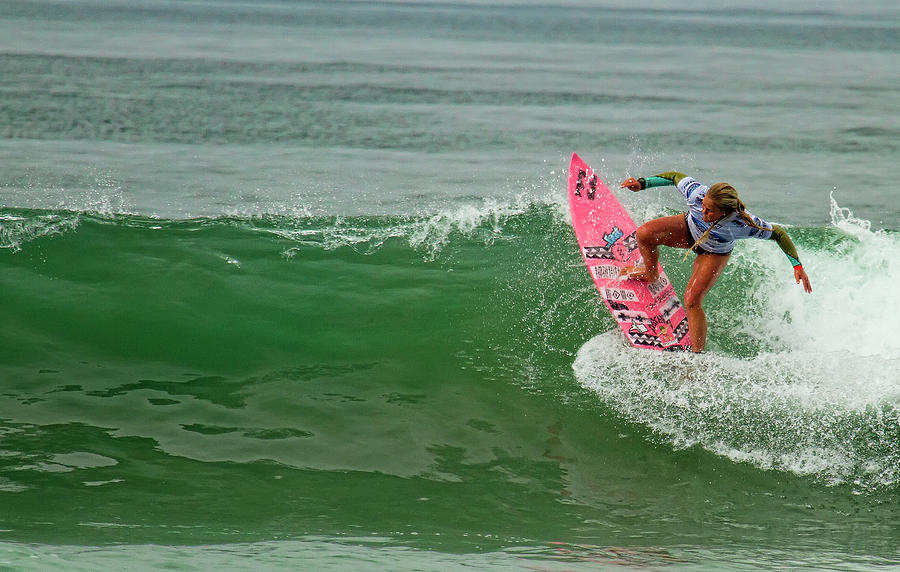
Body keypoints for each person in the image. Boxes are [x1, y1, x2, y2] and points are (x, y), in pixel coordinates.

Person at [618, 171, 812, 353]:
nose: (704, 211)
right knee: (644, 234)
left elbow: (778, 233)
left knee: (692, 300)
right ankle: (650, 273)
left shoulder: (744, 224)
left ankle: (697, 356)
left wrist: (797, 266)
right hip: (688, 230)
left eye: (710, 211)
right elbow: (674, 177)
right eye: (703, 206)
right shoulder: (698, 194)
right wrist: (642, 184)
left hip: (714, 252)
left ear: (725, 212)